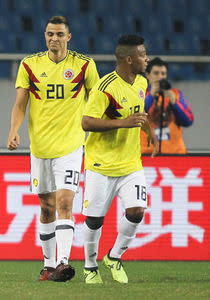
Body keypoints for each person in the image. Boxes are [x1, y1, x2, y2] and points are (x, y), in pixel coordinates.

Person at [7, 15, 100, 282]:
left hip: (71, 146)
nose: (54, 39)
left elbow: (97, 100)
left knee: (65, 202)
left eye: (59, 34)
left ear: (68, 37)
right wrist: (14, 130)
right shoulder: (30, 64)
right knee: (46, 207)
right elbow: (20, 103)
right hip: (40, 147)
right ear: (45, 36)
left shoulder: (84, 65)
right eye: (50, 34)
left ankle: (63, 262)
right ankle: (48, 266)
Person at [81, 35, 159, 284]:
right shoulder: (105, 88)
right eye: (142, 55)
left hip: (130, 163)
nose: (146, 59)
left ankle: (114, 257)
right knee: (95, 220)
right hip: (100, 165)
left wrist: (151, 135)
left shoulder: (142, 83)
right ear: (129, 59)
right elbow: (87, 122)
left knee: (137, 212)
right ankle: (90, 267)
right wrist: (121, 123)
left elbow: (139, 115)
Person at [141, 57, 194, 154]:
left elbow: (188, 121)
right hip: (147, 154)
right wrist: (152, 94)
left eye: (163, 73)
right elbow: (137, 116)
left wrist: (174, 102)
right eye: (156, 73)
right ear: (147, 75)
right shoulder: (141, 94)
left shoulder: (175, 94)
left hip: (175, 154)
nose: (160, 77)